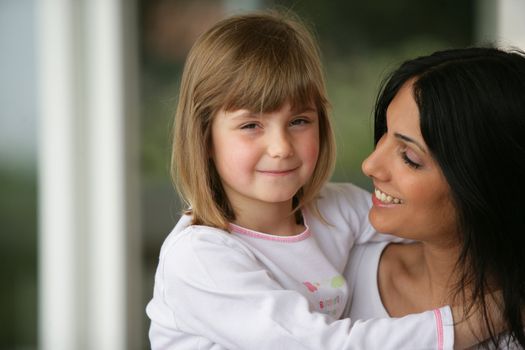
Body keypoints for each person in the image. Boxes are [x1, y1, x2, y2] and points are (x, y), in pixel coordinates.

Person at [146, 10, 490, 349]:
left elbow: (436, 231)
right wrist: (488, 316)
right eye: (251, 126)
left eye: (299, 121)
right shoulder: (198, 257)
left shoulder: (335, 208)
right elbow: (322, 344)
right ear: (205, 138)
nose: (281, 148)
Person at [344, 47, 525, 349]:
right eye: (384, 133)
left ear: (487, 182)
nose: (370, 165)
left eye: (410, 157)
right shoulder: (332, 274)